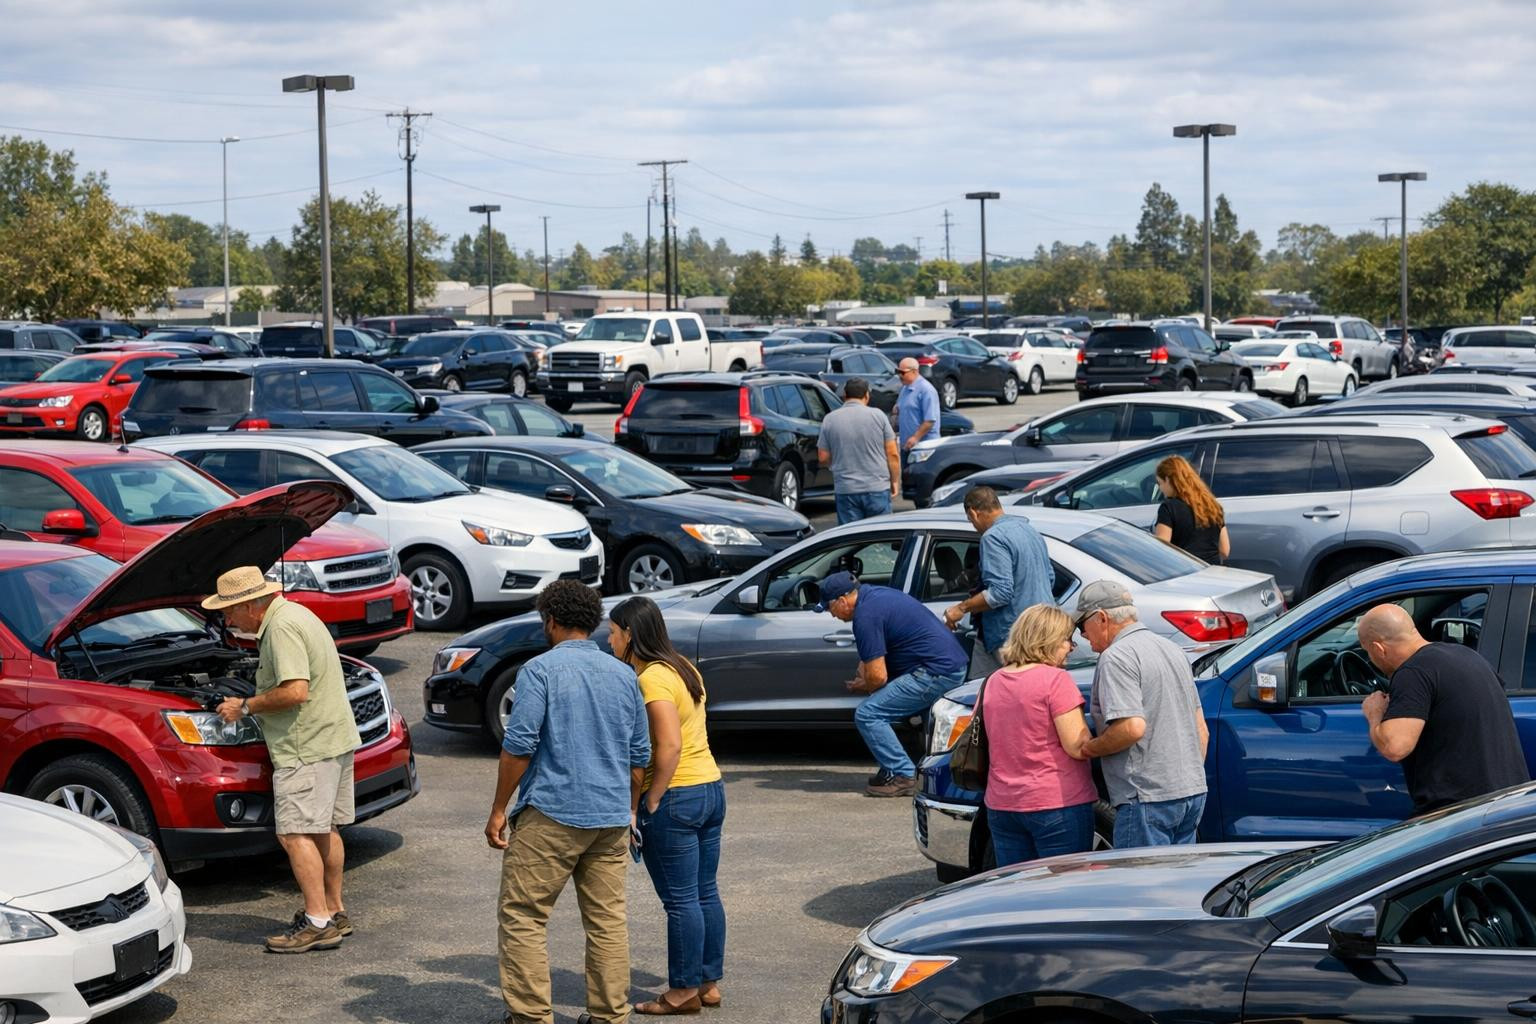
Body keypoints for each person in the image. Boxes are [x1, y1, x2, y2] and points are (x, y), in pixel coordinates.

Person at [484, 580, 651, 1024]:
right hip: (612, 817)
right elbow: (639, 758)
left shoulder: (539, 671)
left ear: (551, 620)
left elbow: (518, 747)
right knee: (607, 921)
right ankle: (609, 1017)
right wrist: (629, 806)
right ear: (593, 621)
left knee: (523, 916)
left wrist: (500, 809)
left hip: (552, 815)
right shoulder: (625, 674)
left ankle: (532, 1017)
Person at [209, 566, 361, 954]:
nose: (228, 621)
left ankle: (317, 922)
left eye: (229, 612)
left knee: (294, 833)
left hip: (305, 744)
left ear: (250, 605)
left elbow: (295, 691)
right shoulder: (296, 613)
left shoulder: (279, 629)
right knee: (325, 826)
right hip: (333, 737)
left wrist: (245, 706)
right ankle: (333, 911)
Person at [609, 596, 726, 1016]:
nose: (609, 640)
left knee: (680, 901)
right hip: (710, 788)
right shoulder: (682, 667)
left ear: (631, 636)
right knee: (703, 892)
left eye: (614, 632)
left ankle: (682, 993)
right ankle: (708, 983)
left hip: (676, 796)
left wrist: (651, 797)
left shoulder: (652, 679)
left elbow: (669, 745)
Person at [1075, 581, 1209, 847]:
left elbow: (1131, 728)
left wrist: (1089, 748)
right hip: (1191, 791)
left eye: (1082, 627)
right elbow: (1201, 731)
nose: (1083, 637)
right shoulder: (1172, 649)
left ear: (1101, 617)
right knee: (1179, 886)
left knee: (1141, 886)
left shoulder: (1116, 656)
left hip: (1148, 798)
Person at [1359, 603, 1529, 814]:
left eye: (1369, 653)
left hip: (1459, 813)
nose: (1371, 660)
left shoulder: (1413, 672)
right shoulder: (1468, 656)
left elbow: (1395, 747)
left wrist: (1374, 714)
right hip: (1505, 802)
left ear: (1379, 648)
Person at [817, 570, 967, 797]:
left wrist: (864, 685)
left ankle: (904, 775)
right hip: (949, 666)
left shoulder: (865, 616)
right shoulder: (874, 596)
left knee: (869, 714)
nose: (831, 615)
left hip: (934, 673)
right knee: (906, 714)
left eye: (829, 608)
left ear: (842, 600)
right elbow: (872, 656)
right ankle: (904, 769)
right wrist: (866, 676)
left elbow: (878, 678)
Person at [982, 604, 1096, 865]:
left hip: (1003, 804)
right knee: (1065, 892)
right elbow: (1077, 746)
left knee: (1018, 893)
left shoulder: (993, 681)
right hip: (1056, 802)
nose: (1071, 647)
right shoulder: (1055, 680)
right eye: (1067, 640)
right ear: (1049, 640)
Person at [943, 485, 1055, 678]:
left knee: (999, 693)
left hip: (1013, 634)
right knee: (981, 691)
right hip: (1043, 627)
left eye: (971, 521)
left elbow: (1001, 592)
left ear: (973, 513)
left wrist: (960, 608)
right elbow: (1049, 577)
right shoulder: (1028, 530)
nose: (974, 526)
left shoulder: (992, 537)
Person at [818, 376, 900, 524]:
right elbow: (892, 453)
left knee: (851, 539)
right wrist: (894, 481)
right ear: (866, 395)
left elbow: (823, 458)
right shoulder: (879, 416)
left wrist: (837, 463)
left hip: (846, 489)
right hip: (877, 487)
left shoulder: (830, 419)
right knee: (881, 536)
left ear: (844, 396)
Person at [1152, 455, 1229, 564]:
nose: (1160, 488)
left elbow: (1162, 550)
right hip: (1212, 572)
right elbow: (1225, 551)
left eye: (1160, 483)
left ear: (1168, 480)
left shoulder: (1169, 507)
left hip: (1183, 572)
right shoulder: (1213, 506)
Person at [893, 357, 941, 462]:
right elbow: (899, 408)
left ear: (914, 371)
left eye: (902, 372)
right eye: (898, 372)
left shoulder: (926, 390)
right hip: (907, 446)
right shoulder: (905, 389)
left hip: (924, 448)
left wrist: (915, 437)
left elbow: (930, 420)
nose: (900, 376)